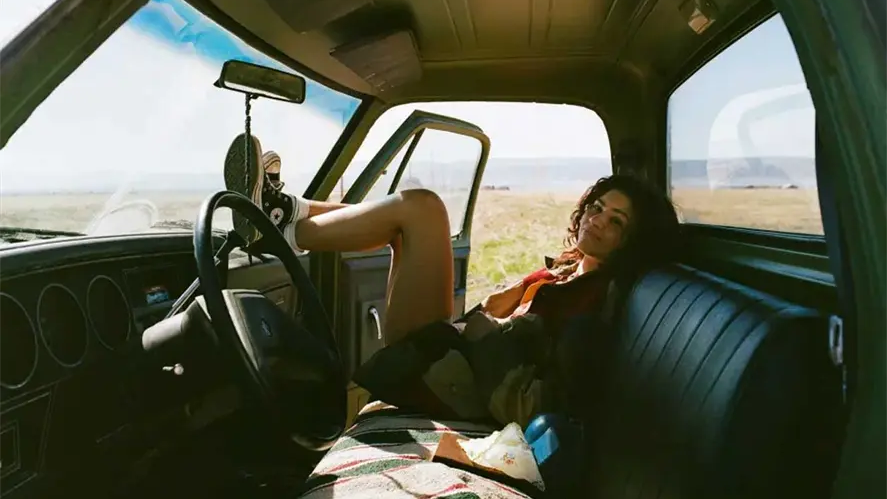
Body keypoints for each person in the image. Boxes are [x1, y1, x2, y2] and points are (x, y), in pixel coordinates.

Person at [223, 133, 681, 428]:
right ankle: (288, 213)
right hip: (458, 354)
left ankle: (279, 226)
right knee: (405, 224)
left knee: (422, 209)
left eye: (616, 221)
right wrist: (497, 310)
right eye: (598, 207)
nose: (598, 220)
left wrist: (487, 326)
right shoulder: (564, 271)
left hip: (462, 383)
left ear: (631, 242)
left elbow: (533, 397)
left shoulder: (594, 302)